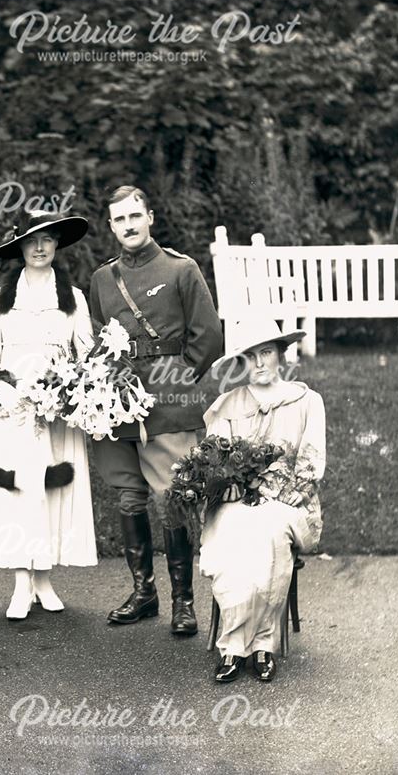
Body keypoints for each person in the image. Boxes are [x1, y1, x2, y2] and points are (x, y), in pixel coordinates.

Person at [89, 185, 223, 636]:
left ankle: (182, 603)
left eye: (135, 216)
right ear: (110, 226)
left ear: (150, 217)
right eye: (119, 219)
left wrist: (174, 379)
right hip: (116, 403)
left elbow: (207, 337)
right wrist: (107, 386)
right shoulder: (102, 280)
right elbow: (98, 340)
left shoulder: (181, 269)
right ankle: (144, 593)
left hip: (169, 404)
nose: (128, 225)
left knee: (174, 500)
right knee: (129, 496)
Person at [0, 210, 98, 619]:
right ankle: (21, 583)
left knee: (52, 490)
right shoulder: (0, 299)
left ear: (57, 244)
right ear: (20, 247)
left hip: (55, 413)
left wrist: (68, 392)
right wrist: (1, 390)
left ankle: (44, 577)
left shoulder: (72, 297)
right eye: (31, 240)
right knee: (18, 491)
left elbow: (87, 353)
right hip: (13, 413)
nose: (39, 247)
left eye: (47, 239)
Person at [199, 319, 325, 683]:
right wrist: (230, 486)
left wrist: (274, 494)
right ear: (240, 363)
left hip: (289, 504)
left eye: (266, 352)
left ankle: (262, 645)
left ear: (281, 355)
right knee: (234, 530)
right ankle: (235, 647)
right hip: (236, 502)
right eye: (249, 356)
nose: (259, 363)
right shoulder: (227, 405)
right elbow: (213, 462)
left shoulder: (307, 401)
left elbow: (310, 466)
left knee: (267, 532)